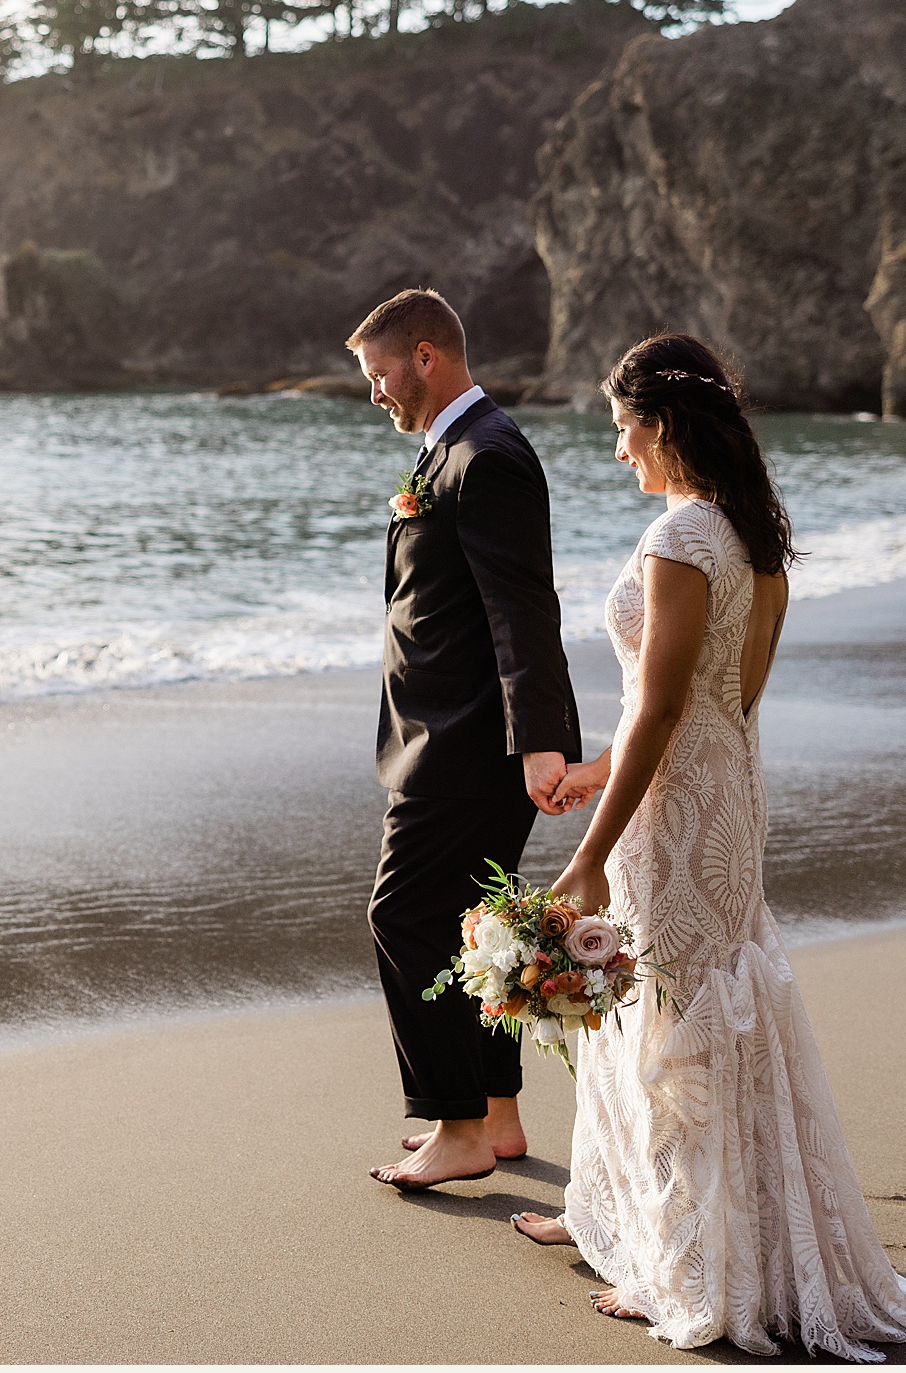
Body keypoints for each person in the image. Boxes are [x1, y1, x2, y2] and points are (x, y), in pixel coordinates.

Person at [511, 334, 906, 1362]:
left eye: (621, 425)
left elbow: (667, 703)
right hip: (726, 793)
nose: (617, 447)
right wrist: (598, 765)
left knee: (670, 1021)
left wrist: (592, 845)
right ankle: (619, 1218)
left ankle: (690, 1262)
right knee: (681, 1006)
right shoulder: (750, 537)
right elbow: (718, 702)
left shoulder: (681, 539)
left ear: (662, 422)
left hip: (674, 821)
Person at [344, 289, 582, 1191]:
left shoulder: (486, 458)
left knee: (404, 917)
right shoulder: (450, 452)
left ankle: (458, 1128)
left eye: (379, 374)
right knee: (472, 925)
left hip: (463, 748)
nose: (374, 393)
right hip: (446, 742)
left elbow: (523, 609)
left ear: (427, 358)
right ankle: (500, 1116)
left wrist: (540, 743)